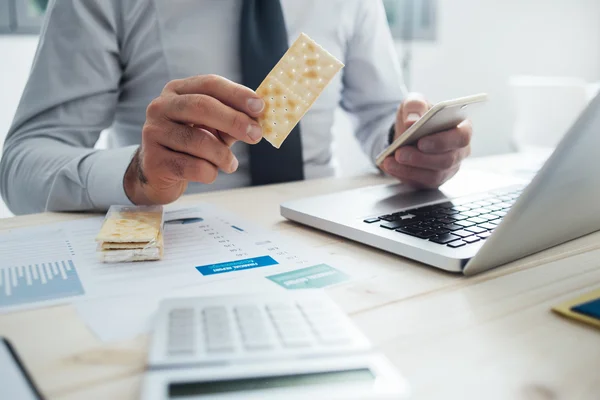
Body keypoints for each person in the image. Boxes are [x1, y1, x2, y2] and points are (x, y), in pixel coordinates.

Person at [0, 0, 472, 216]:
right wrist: (135, 173)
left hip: (330, 234)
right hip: (180, 243)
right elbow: (22, 163)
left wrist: (410, 143)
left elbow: (379, 115)